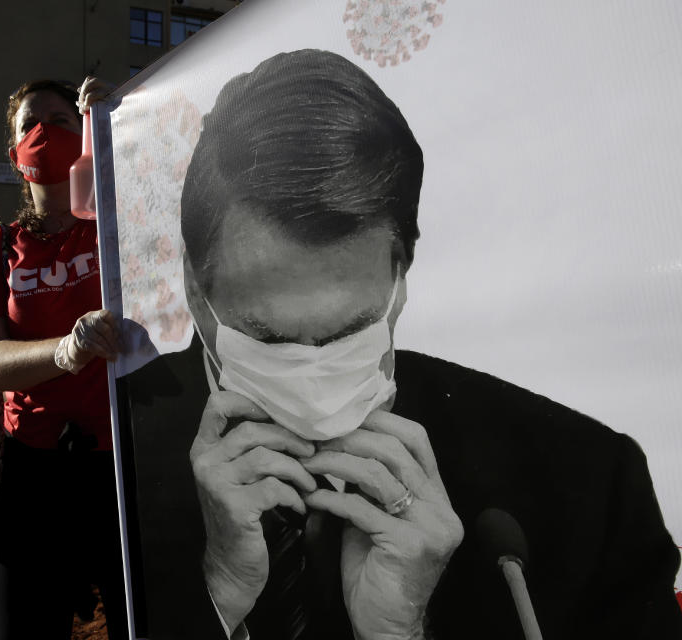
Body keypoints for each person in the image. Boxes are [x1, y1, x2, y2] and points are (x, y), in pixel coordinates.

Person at [120, 49, 682, 639]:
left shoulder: (585, 485)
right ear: (192, 283)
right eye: (269, 336)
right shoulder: (106, 456)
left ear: (401, 279)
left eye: (348, 332)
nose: (311, 373)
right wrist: (214, 597)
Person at [0, 76, 126, 640]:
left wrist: (118, 123)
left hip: (122, 465)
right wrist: (67, 350)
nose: (43, 133)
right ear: (14, 156)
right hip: (32, 476)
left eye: (61, 120)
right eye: (28, 125)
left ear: (82, 132)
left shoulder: (119, 223)